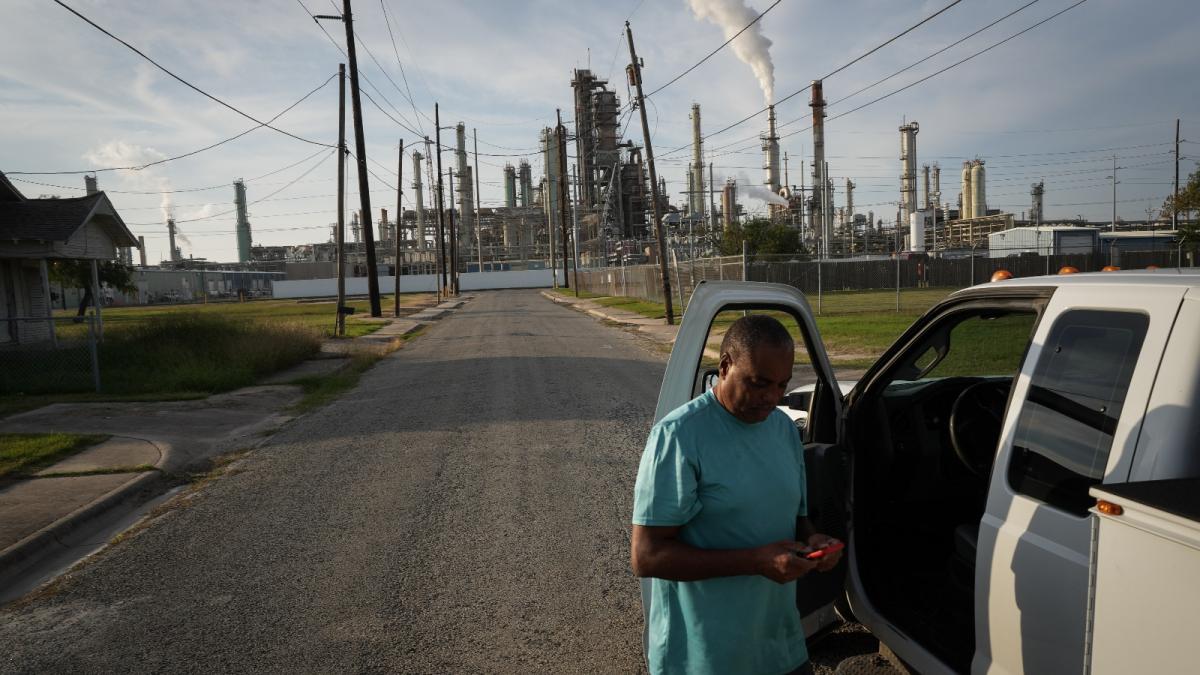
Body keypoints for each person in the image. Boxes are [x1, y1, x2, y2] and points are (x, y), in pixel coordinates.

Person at [631, 314, 843, 675]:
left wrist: (813, 540)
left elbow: (794, 516)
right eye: (760, 383)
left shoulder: (782, 430)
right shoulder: (679, 437)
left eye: (782, 385)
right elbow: (647, 556)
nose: (772, 398)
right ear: (725, 365)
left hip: (779, 643)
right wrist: (756, 562)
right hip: (706, 655)